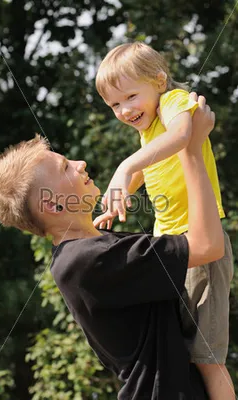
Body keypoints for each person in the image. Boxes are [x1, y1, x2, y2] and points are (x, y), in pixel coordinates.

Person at [0, 96, 224, 399]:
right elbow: (208, 245)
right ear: (53, 204)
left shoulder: (92, 250)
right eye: (65, 168)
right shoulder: (88, 261)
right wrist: (191, 149)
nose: (80, 163)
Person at [94, 42, 234, 399]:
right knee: (180, 352)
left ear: (158, 80)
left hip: (201, 243)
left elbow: (181, 137)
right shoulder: (149, 127)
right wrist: (119, 195)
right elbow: (153, 160)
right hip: (174, 248)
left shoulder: (173, 103)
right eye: (114, 105)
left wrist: (126, 167)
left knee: (208, 359)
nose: (124, 110)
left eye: (129, 96)